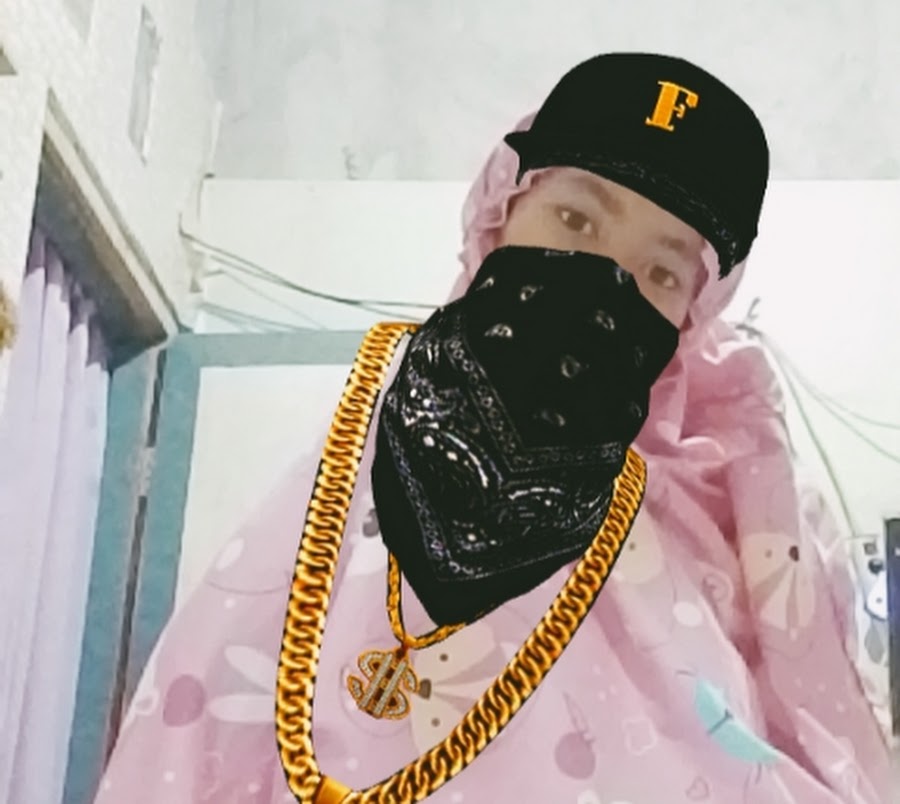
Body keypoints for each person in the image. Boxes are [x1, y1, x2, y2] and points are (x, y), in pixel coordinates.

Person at [94, 54, 890, 803]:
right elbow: (201, 731)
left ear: (692, 316)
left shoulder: (730, 528)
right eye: (575, 218)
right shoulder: (349, 468)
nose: (606, 282)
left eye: (661, 271)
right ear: (499, 215)